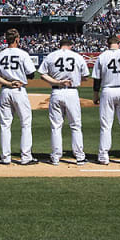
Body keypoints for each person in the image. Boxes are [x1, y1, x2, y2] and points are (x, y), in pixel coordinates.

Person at [0, 29, 39, 165]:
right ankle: (26, 157)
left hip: (5, 90)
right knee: (25, 123)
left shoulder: (0, 54)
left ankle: (5, 157)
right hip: (19, 90)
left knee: (5, 125)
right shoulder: (22, 54)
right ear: (17, 39)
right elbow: (31, 74)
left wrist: (8, 82)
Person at [39, 37, 88, 165]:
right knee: (75, 125)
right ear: (70, 45)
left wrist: (57, 81)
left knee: (56, 126)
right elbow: (85, 77)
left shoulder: (51, 56)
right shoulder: (77, 56)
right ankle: (79, 157)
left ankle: (55, 157)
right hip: (72, 92)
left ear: (59, 45)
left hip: (56, 91)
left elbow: (42, 74)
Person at [92, 35, 120, 165]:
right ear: (119, 43)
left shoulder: (102, 56)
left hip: (107, 90)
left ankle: (103, 156)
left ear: (108, 44)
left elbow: (97, 78)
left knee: (106, 126)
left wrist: (95, 95)